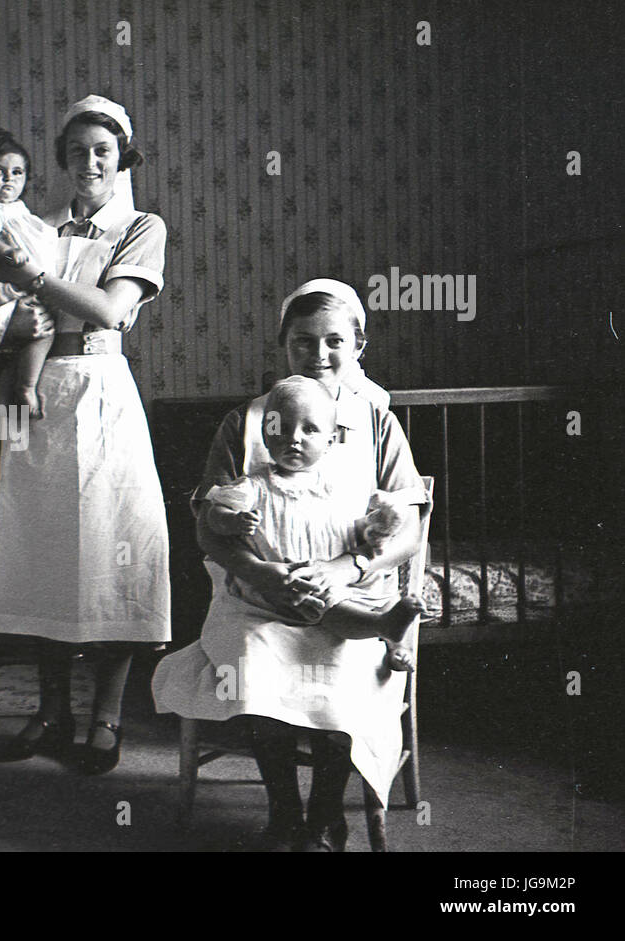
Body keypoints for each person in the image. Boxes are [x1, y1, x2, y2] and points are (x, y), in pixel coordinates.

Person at [151, 278, 428, 851]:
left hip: (352, 599)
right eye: (304, 342)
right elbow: (209, 527)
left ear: (358, 346)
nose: (320, 355)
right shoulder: (247, 421)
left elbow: (409, 531)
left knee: (345, 672)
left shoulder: (377, 422)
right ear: (284, 345)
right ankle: (284, 813)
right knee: (254, 667)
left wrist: (345, 569)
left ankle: (326, 816)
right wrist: (263, 576)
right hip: (257, 600)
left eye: (334, 341)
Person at [0, 96, 171, 774]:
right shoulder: (34, 224)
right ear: (61, 159)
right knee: (45, 552)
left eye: (103, 153)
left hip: (102, 391)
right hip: (40, 399)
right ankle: (51, 711)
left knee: (111, 551)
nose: (90, 163)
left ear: (122, 162)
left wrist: (31, 276)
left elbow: (112, 312)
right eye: (78, 151)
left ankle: (106, 717)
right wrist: (13, 354)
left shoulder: (141, 226)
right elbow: (8, 310)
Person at [203, 375, 427, 671]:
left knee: (344, 602)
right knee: (320, 610)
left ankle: (388, 632)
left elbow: (358, 527)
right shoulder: (251, 486)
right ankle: (383, 627)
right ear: (266, 435)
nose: (294, 438)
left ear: (329, 441)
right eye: (281, 429)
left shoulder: (341, 486)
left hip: (332, 577)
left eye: (309, 430)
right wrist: (232, 521)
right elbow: (212, 519)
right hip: (273, 583)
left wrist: (373, 531)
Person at [0, 128, 61, 419]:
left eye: (18, 172)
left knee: (35, 338)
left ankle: (12, 392)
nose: (9, 178)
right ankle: (26, 387)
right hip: (5, 285)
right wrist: (6, 252)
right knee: (41, 333)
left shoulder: (19, 210)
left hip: (28, 283)